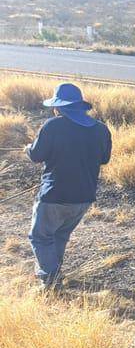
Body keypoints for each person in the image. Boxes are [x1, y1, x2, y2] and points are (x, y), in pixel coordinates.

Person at [25, 83, 111, 290]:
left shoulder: (53, 126)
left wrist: (27, 148)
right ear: (80, 106)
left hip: (54, 195)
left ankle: (51, 279)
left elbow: (36, 155)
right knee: (59, 235)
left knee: (40, 236)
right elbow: (104, 159)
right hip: (84, 197)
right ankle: (54, 273)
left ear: (59, 108)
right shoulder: (101, 130)